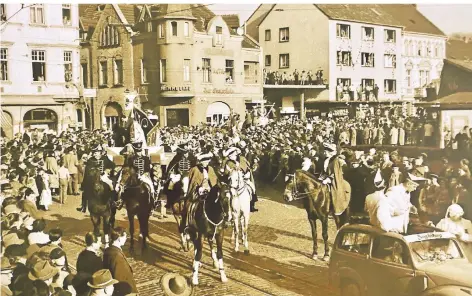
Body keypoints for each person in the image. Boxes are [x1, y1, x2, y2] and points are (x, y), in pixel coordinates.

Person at [179, 152, 218, 248]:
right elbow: (192, 183)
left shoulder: (211, 169)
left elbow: (214, 181)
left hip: (209, 191)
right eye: (204, 161)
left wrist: (212, 189)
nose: (206, 163)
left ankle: (219, 222)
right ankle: (187, 226)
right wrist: (198, 188)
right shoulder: (194, 169)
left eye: (207, 161)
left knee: (218, 203)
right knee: (189, 206)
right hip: (197, 192)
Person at [78, 144, 115, 213]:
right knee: (85, 191)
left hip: (104, 176)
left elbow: (112, 165)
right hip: (93, 178)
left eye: (96, 152)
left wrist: (108, 170)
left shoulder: (105, 158)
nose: (94, 154)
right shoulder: (90, 160)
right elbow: (87, 172)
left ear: (100, 152)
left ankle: (113, 202)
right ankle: (83, 206)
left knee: (111, 186)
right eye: (94, 152)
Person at [102, 227, 137, 295]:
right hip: (126, 291)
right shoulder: (116, 256)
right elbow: (120, 277)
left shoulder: (109, 250)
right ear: (119, 238)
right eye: (125, 237)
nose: (126, 239)